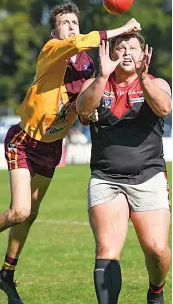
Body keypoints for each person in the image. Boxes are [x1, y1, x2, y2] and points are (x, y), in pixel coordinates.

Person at [0, 0, 141, 304]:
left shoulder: (88, 66)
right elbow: (83, 41)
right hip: (24, 141)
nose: (71, 27)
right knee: (19, 211)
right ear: (54, 31)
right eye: (65, 23)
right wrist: (124, 28)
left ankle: (7, 274)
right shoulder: (53, 49)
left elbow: (86, 105)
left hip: (52, 148)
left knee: (31, 215)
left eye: (74, 22)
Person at [76, 33, 171, 304]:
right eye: (121, 48)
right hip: (106, 178)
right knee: (106, 249)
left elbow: (164, 107)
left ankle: (156, 290)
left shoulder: (157, 83)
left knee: (156, 249)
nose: (127, 52)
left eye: (133, 48)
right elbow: (83, 110)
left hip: (149, 175)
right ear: (111, 54)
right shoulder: (95, 84)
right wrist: (102, 77)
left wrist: (143, 79)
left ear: (143, 55)